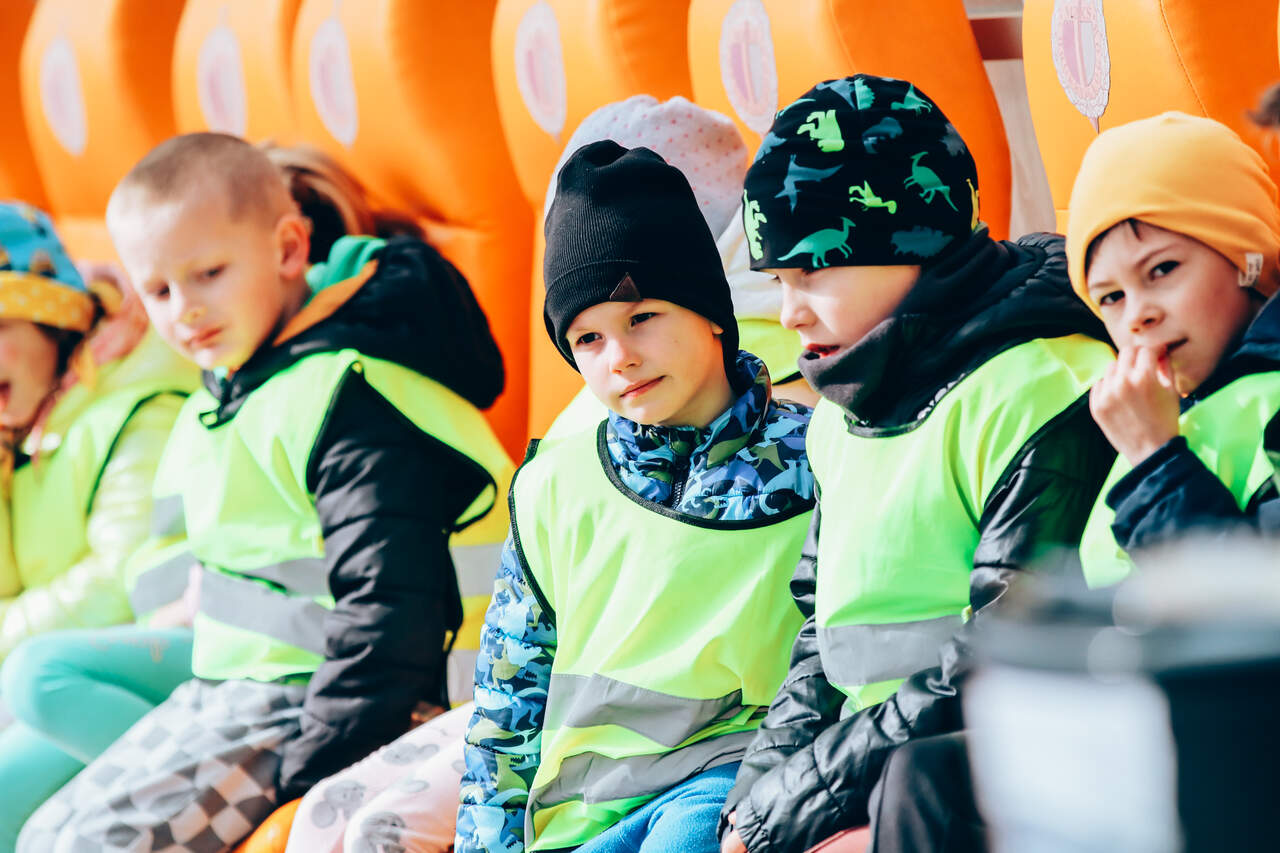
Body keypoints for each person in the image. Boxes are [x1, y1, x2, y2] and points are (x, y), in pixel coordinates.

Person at [18, 132, 513, 852]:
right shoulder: (228, 394)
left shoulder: (351, 395)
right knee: (43, 834)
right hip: (240, 686)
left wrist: (308, 777)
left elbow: (390, 615)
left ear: (288, 249)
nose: (186, 311)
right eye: (159, 291)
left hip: (351, 700)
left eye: (208, 274)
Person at [720, 75, 1117, 853]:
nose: (789, 311)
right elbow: (821, 643)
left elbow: (1003, 651)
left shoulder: (1041, 387)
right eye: (778, 280)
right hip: (862, 786)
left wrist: (795, 806)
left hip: (966, 791)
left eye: (812, 272)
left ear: (914, 244)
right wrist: (753, 803)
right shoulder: (841, 414)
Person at [455, 141, 816, 853]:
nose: (618, 356)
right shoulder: (554, 484)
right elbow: (508, 696)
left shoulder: (816, 458)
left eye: (641, 316)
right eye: (587, 337)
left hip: (728, 777)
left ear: (712, 312)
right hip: (580, 813)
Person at [0, 201, 195, 851]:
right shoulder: (25, 423)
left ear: (54, 323)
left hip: (139, 662)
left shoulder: (139, 407)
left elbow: (119, 583)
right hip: (53, 667)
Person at [1073, 112, 1280, 586]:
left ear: (1247, 261)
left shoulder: (1151, 438)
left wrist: (1156, 460)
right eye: (1111, 297)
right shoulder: (1148, 417)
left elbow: (1249, 606)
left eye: (1163, 269)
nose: (1137, 315)